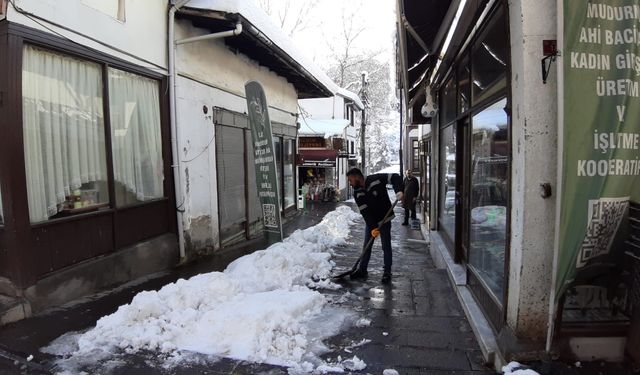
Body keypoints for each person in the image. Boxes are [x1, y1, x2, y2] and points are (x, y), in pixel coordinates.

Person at [346, 168, 403, 284]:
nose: (350, 183)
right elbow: (365, 211)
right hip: (371, 221)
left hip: (385, 219)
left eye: (350, 180)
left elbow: (395, 177)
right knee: (367, 245)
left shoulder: (376, 179)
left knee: (385, 246)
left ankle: (387, 272)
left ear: (357, 177)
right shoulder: (357, 192)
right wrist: (373, 227)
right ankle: (362, 270)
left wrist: (399, 191)